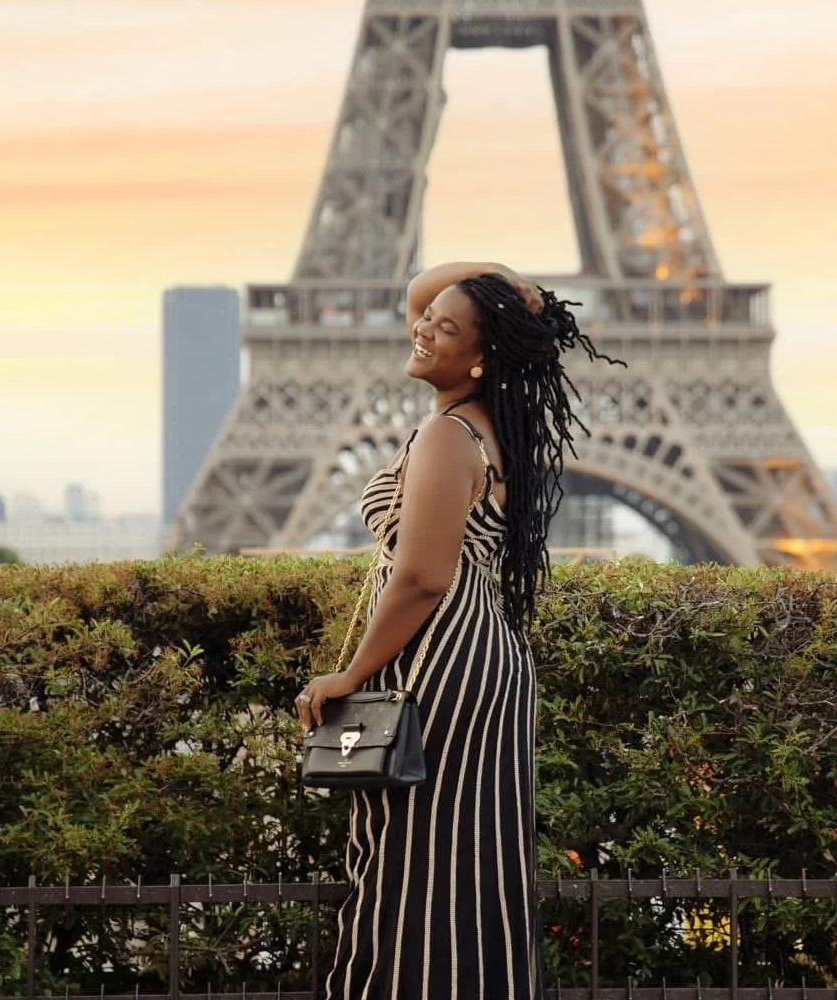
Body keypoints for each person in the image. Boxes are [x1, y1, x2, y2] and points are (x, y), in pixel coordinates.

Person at [294, 261, 622, 999]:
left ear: (480, 356)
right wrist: (502, 281)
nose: (421, 327)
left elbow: (421, 577)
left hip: (440, 655)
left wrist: (348, 675)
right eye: (426, 319)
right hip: (480, 653)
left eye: (445, 328)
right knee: (460, 859)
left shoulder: (447, 437)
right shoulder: (483, 426)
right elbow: (421, 291)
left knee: (411, 855)